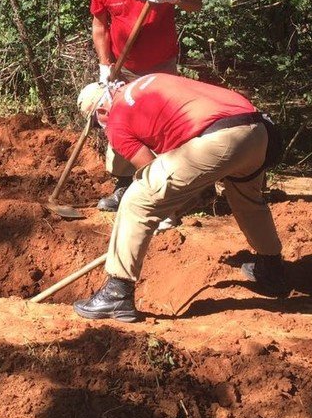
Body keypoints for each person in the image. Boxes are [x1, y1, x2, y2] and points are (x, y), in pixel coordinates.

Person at [72, 74, 289, 323]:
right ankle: (272, 271)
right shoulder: (147, 81)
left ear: (101, 109)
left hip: (217, 139)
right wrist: (196, 190)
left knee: (136, 200)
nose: (101, 128)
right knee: (248, 201)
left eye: (97, 122)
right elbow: (183, 128)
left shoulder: (116, 119)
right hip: (256, 130)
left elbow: (150, 173)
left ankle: (116, 294)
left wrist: (171, 208)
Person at [90, 0, 202, 211]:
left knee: (161, 125)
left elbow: (196, 2)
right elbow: (100, 25)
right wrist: (105, 65)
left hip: (161, 66)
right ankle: (125, 185)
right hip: (123, 67)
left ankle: (170, 191)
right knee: (118, 121)